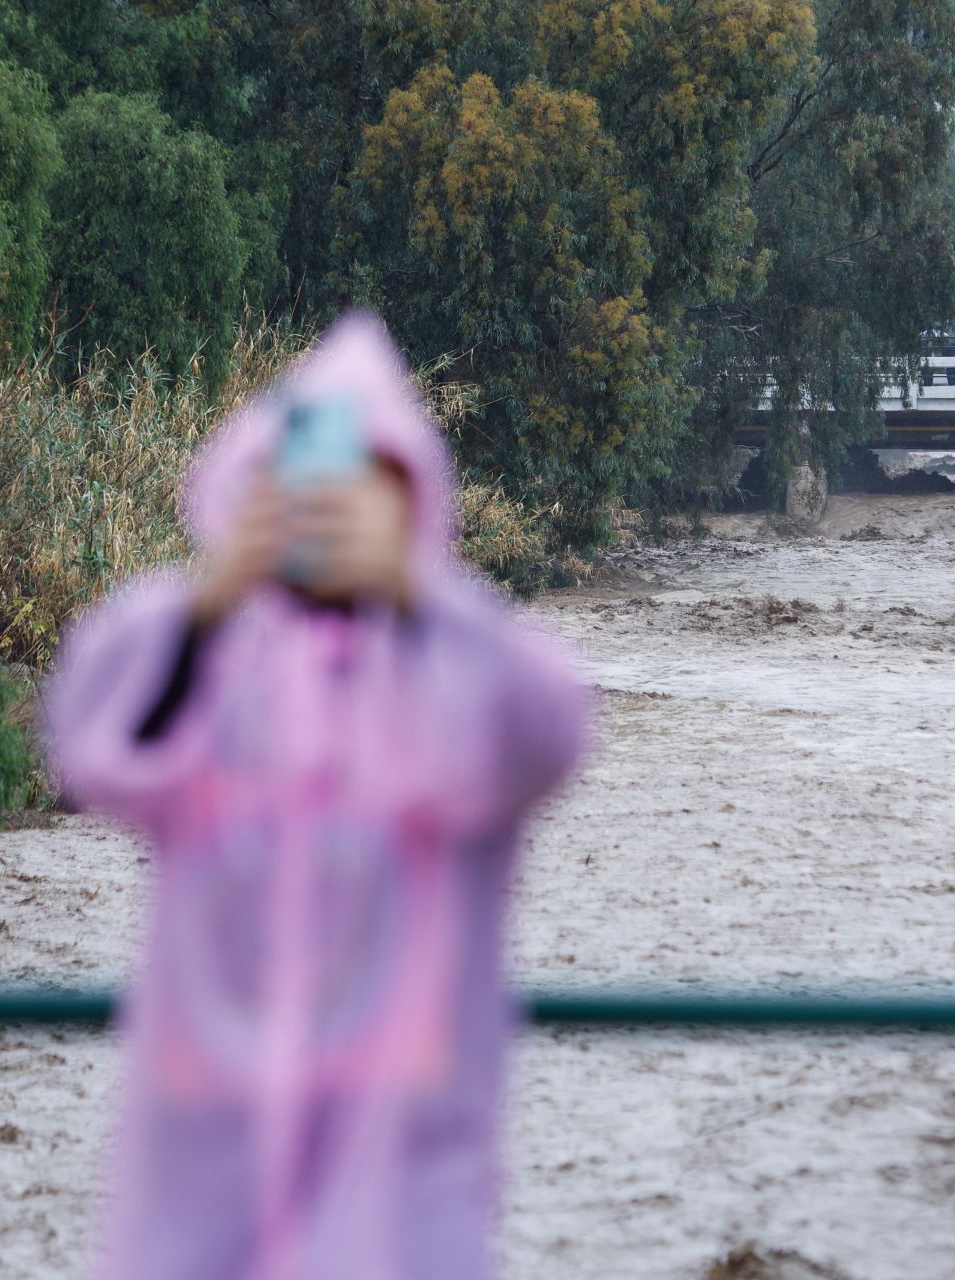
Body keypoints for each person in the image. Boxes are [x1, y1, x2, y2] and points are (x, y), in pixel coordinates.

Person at [48, 311, 590, 1280]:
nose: (326, 512)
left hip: (405, 1176)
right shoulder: (208, 665)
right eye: (298, 483)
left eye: (366, 486)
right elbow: (89, 746)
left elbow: (546, 735)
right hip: (198, 1173)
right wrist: (206, 603)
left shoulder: (450, 663)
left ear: (410, 501)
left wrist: (419, 591)